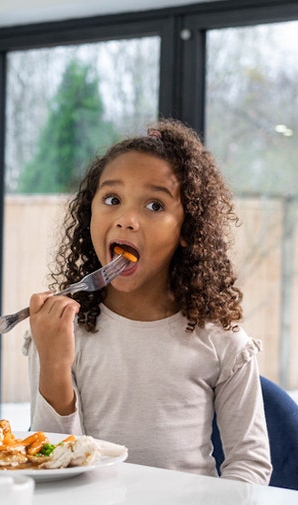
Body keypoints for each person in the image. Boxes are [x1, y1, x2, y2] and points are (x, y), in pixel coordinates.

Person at [24, 119, 271, 484]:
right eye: (112, 199)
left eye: (155, 205)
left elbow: (250, 465)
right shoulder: (59, 331)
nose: (127, 220)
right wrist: (55, 365)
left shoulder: (222, 341)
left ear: (188, 230)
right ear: (89, 214)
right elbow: (51, 462)